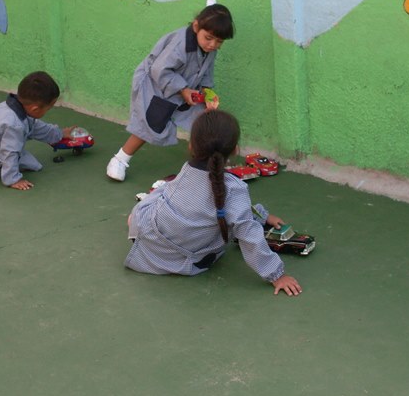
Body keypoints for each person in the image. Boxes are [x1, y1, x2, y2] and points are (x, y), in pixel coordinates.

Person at [125, 110, 303, 296]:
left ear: (191, 146)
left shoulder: (187, 170)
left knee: (154, 199)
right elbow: (248, 234)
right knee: (220, 217)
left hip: (152, 243)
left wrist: (262, 216)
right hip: (192, 258)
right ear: (235, 149)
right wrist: (277, 275)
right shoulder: (234, 188)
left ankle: (136, 224)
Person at [107, 0, 234, 182]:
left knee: (202, 119)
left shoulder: (209, 47)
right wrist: (183, 89)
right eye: (209, 38)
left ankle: (205, 163)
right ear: (196, 27)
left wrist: (206, 92)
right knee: (150, 124)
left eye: (219, 41)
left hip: (185, 86)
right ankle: (120, 159)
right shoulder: (180, 44)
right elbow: (160, 69)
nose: (213, 45)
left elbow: (207, 69)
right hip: (155, 85)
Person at [0, 71, 73, 190]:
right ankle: (9, 176)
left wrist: (59, 133)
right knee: (33, 164)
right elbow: (10, 152)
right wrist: (13, 179)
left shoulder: (8, 106)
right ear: (35, 109)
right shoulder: (15, 125)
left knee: (27, 158)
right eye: (49, 108)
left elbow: (34, 126)